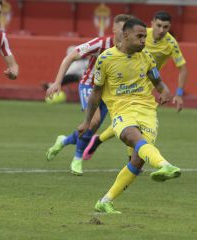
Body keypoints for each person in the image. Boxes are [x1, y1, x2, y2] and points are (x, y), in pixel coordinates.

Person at [77, 18, 181, 214]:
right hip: (121, 110)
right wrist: (87, 121)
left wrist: (165, 91)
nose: (144, 41)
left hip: (147, 111)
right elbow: (96, 93)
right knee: (129, 135)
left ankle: (105, 201)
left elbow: (157, 81)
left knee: (138, 160)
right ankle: (165, 165)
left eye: (145, 37)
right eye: (139, 36)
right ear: (125, 35)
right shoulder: (106, 59)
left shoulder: (147, 57)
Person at [83, 11, 187, 160]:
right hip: (126, 83)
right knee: (129, 121)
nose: (161, 30)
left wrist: (179, 93)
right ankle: (131, 159)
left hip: (147, 84)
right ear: (152, 23)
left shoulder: (171, 44)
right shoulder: (141, 32)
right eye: (158, 25)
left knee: (133, 122)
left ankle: (100, 140)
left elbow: (183, 68)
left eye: (166, 27)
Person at [45, 14, 133, 176]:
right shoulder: (101, 43)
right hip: (89, 86)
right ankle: (77, 158)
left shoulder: (132, 49)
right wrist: (57, 82)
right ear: (113, 29)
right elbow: (71, 56)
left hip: (109, 92)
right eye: (122, 29)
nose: (125, 33)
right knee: (95, 120)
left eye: (128, 30)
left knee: (91, 128)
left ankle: (63, 141)